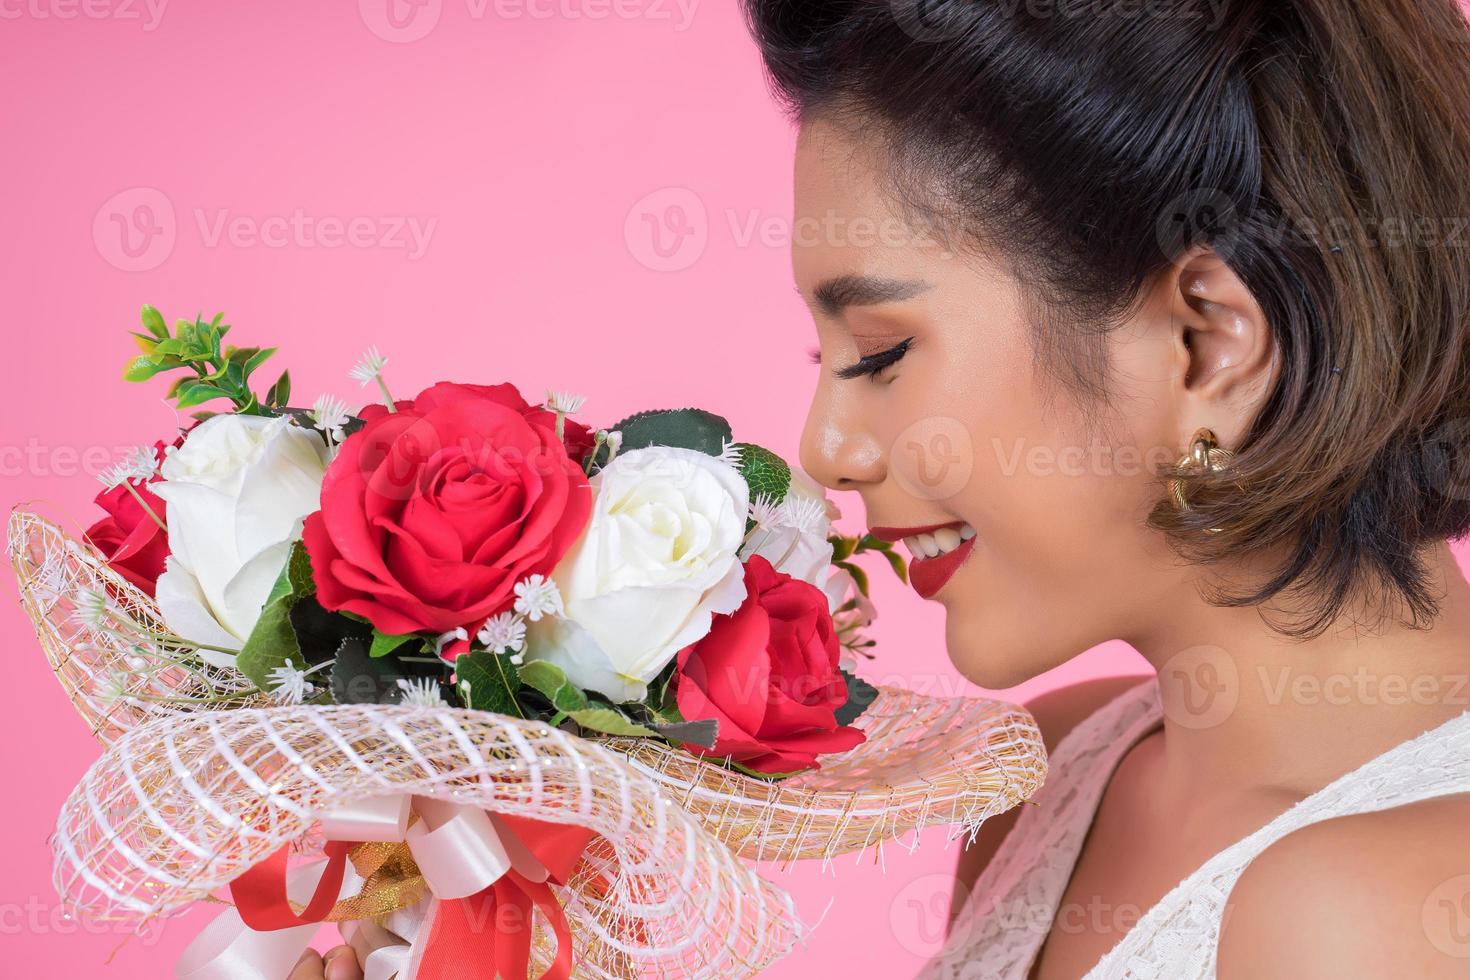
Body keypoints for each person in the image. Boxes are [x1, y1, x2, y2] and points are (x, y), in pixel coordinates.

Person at [743, 0, 1470, 976]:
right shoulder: (1056, 778)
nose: (825, 449)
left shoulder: (1372, 919)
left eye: (881, 352)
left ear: (1208, 344)